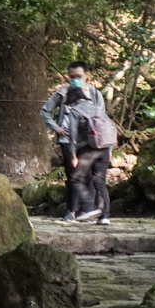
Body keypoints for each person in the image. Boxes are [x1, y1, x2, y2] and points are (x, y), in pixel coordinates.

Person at [40, 61, 105, 176]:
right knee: (73, 176)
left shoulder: (95, 94)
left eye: (79, 76)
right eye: (72, 77)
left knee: (88, 176)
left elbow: (102, 119)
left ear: (87, 75)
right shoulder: (63, 92)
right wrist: (56, 128)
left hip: (88, 141)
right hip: (67, 140)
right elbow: (45, 111)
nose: (75, 79)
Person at [62, 84, 113, 225]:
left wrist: (73, 155)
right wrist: (110, 151)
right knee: (100, 182)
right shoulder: (98, 108)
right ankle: (105, 216)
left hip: (88, 150)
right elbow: (110, 128)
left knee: (75, 179)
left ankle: (89, 205)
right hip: (104, 148)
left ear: (72, 99)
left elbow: (72, 136)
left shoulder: (75, 111)